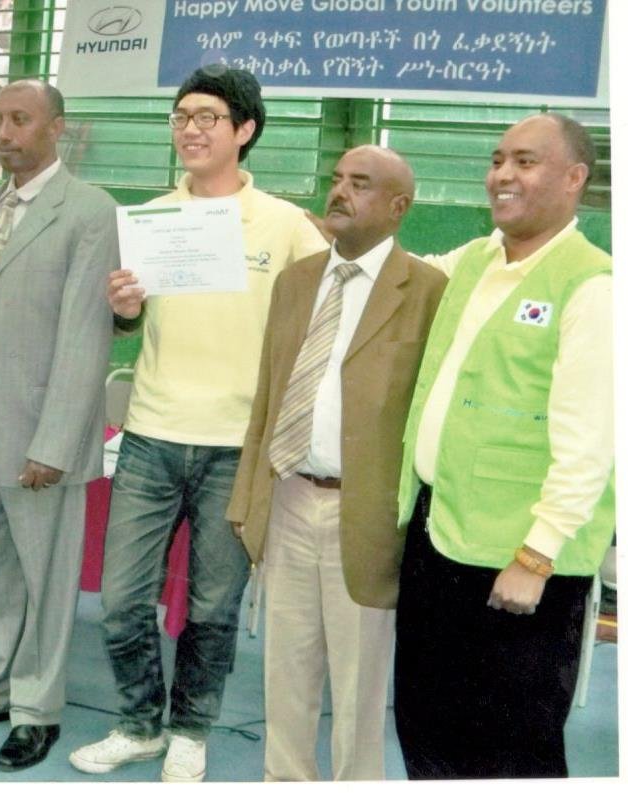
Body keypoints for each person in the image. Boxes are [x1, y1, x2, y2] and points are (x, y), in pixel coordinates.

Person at [68, 66, 327, 783]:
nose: (191, 128)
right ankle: (139, 723)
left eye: (209, 116)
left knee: (214, 604)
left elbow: (323, 324)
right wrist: (125, 304)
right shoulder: (151, 216)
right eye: (182, 115)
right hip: (150, 435)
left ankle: (190, 727)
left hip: (237, 447)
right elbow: (132, 320)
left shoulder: (286, 226)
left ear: (245, 130)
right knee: (121, 596)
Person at [392, 112, 614, 778]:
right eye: (497, 159)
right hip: (439, 537)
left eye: (525, 161)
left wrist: (536, 555)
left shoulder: (592, 287)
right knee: (426, 723)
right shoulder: (477, 260)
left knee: (513, 746)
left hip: (518, 568)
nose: (502, 175)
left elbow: (590, 443)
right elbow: (391, 276)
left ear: (574, 178)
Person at [225, 145, 446, 780]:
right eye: (337, 179)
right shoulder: (296, 281)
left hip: (367, 513)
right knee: (286, 672)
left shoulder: (428, 292)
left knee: (359, 687)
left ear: (399, 207)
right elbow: (267, 398)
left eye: (362, 184)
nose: (340, 192)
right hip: (289, 495)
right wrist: (247, 500)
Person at [0, 79, 117, 772]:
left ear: (56, 128)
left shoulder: (90, 210)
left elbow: (86, 335)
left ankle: (38, 708)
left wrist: (57, 444)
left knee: (45, 574)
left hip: (42, 433)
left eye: (20, 120)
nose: (4, 133)